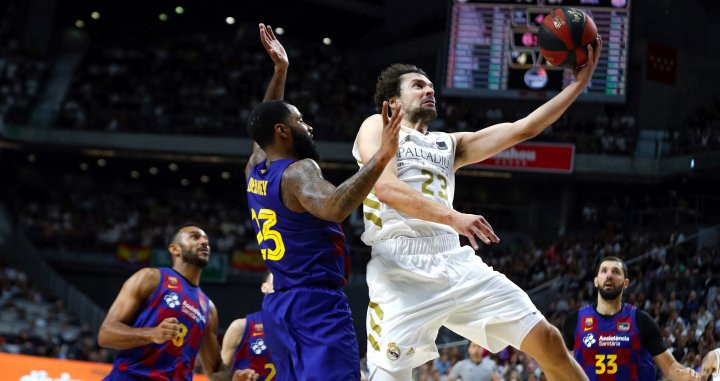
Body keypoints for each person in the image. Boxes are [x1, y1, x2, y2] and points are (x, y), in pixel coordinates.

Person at [353, 37, 604, 381]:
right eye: (417, 85)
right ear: (393, 102)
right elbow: (386, 188)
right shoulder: (376, 125)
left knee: (548, 338)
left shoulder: (448, 144)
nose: (429, 90)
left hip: (453, 260)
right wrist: (455, 218)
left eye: (430, 85)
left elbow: (524, 128)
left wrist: (579, 84)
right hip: (399, 270)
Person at [245, 24, 403, 380]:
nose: (309, 127)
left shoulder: (256, 170)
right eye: (300, 121)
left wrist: (280, 71)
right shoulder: (300, 171)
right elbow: (334, 206)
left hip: (278, 306)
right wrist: (380, 157)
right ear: (284, 132)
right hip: (315, 304)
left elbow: (263, 125)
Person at [98, 224, 257, 381]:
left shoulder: (208, 308)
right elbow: (106, 334)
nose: (204, 242)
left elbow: (214, 369)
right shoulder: (151, 278)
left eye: (206, 240)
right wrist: (151, 334)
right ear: (175, 249)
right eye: (195, 237)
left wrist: (233, 378)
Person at [562, 256, 698, 380]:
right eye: (604, 271)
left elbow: (670, 367)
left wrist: (688, 375)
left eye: (615, 272)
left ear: (626, 283)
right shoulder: (574, 321)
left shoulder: (642, 320)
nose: (609, 275)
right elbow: (566, 369)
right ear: (596, 281)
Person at [221, 272, 275, 380]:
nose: (282, 284)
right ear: (265, 287)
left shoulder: (301, 330)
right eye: (277, 279)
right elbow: (218, 377)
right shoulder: (240, 327)